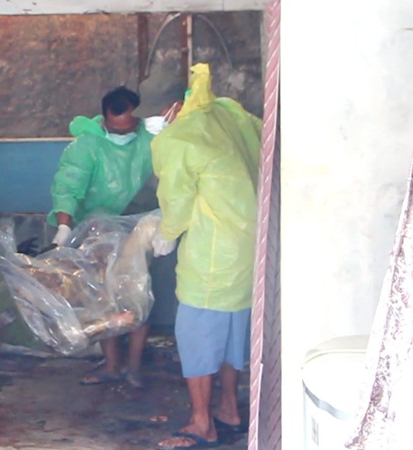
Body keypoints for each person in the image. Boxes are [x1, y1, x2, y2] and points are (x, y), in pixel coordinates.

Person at [149, 63, 261, 449]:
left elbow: (177, 201)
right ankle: (229, 408)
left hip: (211, 259)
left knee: (196, 338)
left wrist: (166, 234)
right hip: (247, 253)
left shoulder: (181, 138)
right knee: (232, 337)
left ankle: (201, 422)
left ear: (173, 109)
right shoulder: (229, 115)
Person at [48, 85, 178, 388]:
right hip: (99, 231)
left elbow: (176, 168)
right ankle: (112, 365)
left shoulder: (150, 137)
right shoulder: (88, 145)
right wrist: (64, 226)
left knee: (137, 296)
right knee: (103, 299)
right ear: (104, 117)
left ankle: (132, 367)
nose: (122, 133)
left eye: (128, 126)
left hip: (140, 227)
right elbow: (68, 186)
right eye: (114, 127)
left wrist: (173, 123)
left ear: (136, 116)